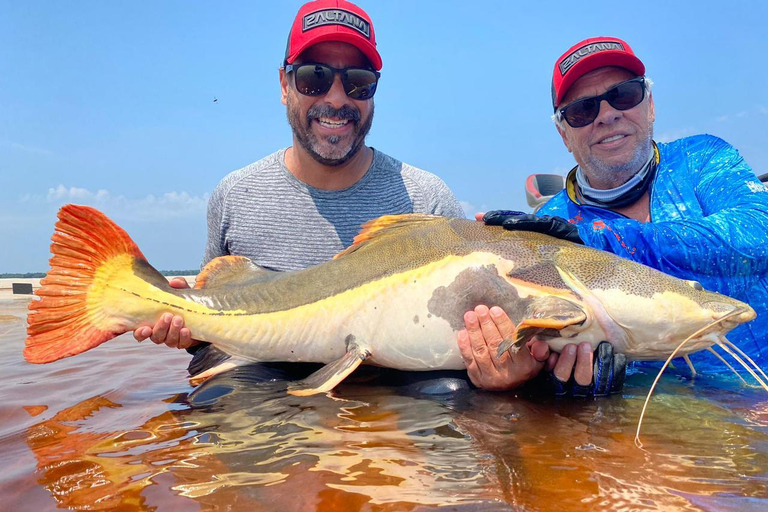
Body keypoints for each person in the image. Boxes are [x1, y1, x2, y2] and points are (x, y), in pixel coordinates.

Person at [472, 36, 768, 389]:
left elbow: (755, 234)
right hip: (651, 421)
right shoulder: (550, 224)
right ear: (563, 134)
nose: (608, 115)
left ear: (651, 104)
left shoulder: (701, 158)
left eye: (624, 95)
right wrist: (535, 380)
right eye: (582, 110)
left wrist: (598, 241)